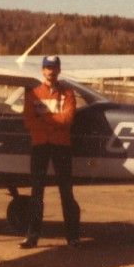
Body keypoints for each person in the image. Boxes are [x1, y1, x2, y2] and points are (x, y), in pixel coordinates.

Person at [20, 54, 81, 247]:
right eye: (47, 68)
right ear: (42, 70)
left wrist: (44, 118)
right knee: (36, 192)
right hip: (40, 145)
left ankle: (73, 237)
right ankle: (32, 236)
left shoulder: (68, 93)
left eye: (54, 68)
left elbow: (68, 119)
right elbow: (29, 122)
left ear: (59, 70)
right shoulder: (33, 94)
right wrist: (54, 119)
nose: (50, 72)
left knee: (66, 192)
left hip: (61, 145)